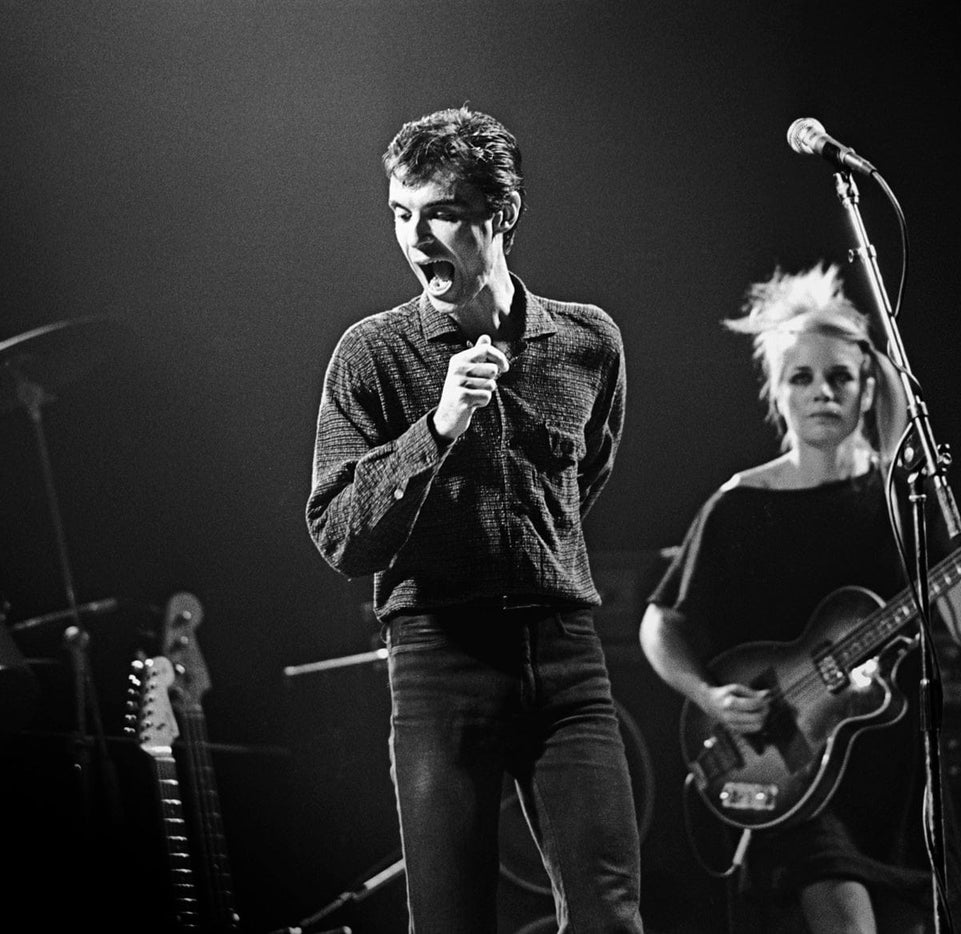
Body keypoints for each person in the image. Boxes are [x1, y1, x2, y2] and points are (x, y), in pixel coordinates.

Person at [638, 263, 961, 934]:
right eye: (800, 377)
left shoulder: (904, 501)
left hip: (893, 781)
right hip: (792, 770)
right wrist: (707, 696)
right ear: (775, 392)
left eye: (839, 376)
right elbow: (662, 622)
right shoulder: (740, 504)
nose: (821, 392)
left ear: (867, 388)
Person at [306, 106, 642, 934]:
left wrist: (531, 545)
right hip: (440, 661)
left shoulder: (585, 341)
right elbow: (339, 533)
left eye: (442, 213)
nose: (417, 239)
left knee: (610, 916)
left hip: (566, 657)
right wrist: (437, 431)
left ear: (502, 215)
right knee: (451, 921)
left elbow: (582, 479)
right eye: (400, 215)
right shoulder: (371, 354)